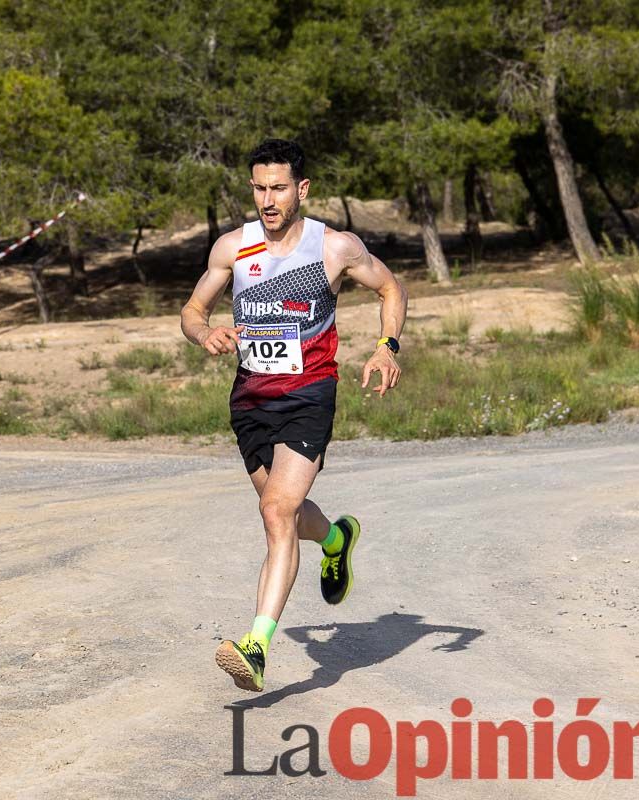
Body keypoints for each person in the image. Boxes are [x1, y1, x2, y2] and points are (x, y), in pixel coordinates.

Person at [180, 138, 407, 692]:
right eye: (259, 188)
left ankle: (255, 647)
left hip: (309, 395)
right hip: (251, 399)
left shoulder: (335, 247)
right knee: (279, 509)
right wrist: (204, 332)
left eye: (278, 187)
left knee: (277, 511)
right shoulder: (233, 248)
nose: (267, 199)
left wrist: (387, 347)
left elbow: (391, 288)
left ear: (300, 189)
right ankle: (334, 539)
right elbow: (191, 309)